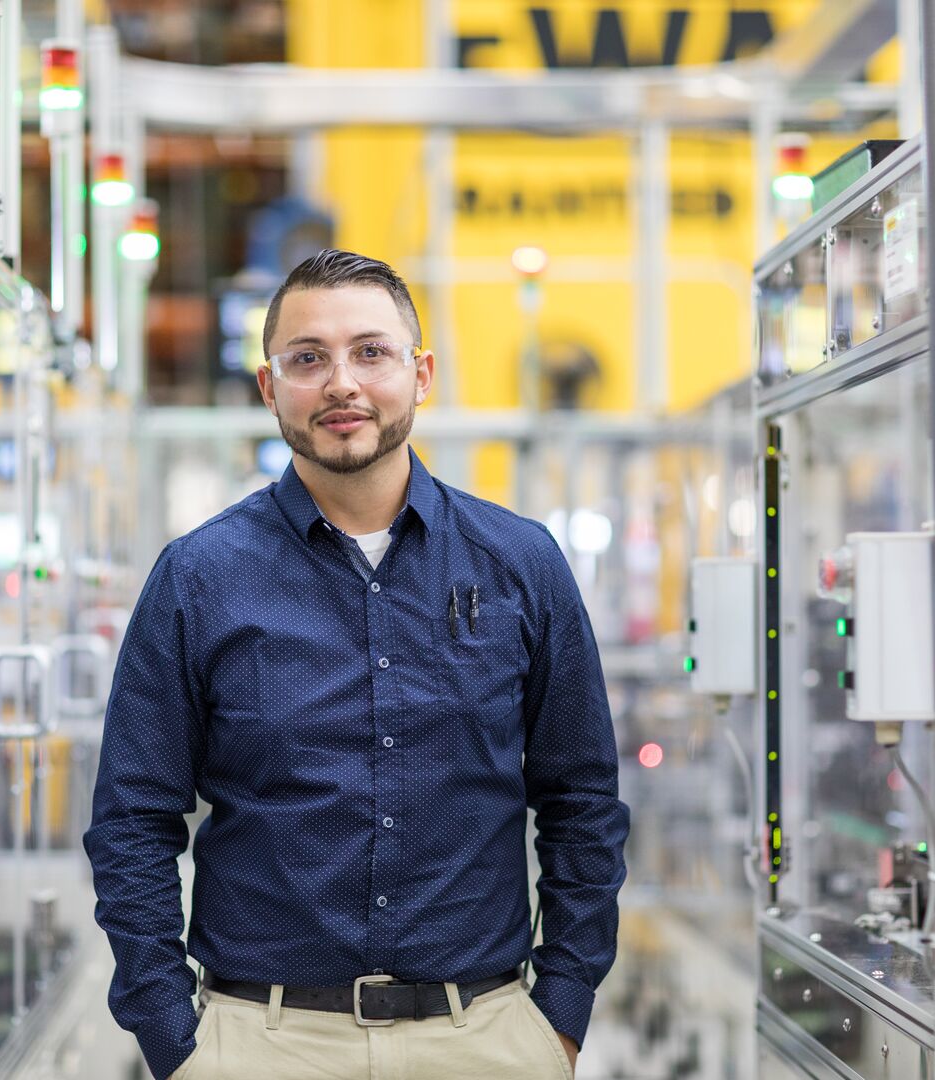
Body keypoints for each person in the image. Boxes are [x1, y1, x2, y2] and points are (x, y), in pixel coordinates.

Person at [84, 249, 629, 1080]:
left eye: (370, 353)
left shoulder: (522, 564)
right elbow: (132, 820)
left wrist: (560, 1013)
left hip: (482, 1039)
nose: (342, 382)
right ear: (271, 389)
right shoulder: (199, 578)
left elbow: (582, 800)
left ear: (421, 375)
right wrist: (173, 1036)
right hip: (261, 1043)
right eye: (308, 358)